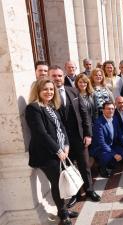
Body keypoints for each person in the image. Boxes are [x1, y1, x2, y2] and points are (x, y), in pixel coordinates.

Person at [26, 79, 77, 225]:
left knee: (61, 182)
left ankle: (64, 209)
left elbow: (61, 127)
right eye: (45, 89)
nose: (49, 92)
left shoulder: (51, 106)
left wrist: (66, 144)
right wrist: (57, 150)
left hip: (61, 151)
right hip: (46, 155)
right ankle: (63, 214)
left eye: (51, 89)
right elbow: (40, 133)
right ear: (38, 91)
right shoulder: (33, 108)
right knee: (57, 184)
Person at [49, 66, 100, 208]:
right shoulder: (47, 95)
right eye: (54, 76)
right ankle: (75, 194)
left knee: (84, 165)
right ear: (49, 77)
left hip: (79, 137)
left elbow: (84, 113)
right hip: (61, 142)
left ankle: (89, 190)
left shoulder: (73, 90)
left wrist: (88, 134)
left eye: (59, 75)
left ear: (63, 76)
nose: (57, 78)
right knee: (68, 169)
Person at [90, 102, 123, 177]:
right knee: (108, 156)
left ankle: (110, 163)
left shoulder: (115, 119)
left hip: (112, 145)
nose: (111, 111)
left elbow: (120, 135)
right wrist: (114, 154)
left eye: (112, 109)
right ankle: (101, 167)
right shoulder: (99, 123)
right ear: (103, 110)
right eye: (108, 109)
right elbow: (101, 143)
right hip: (100, 148)